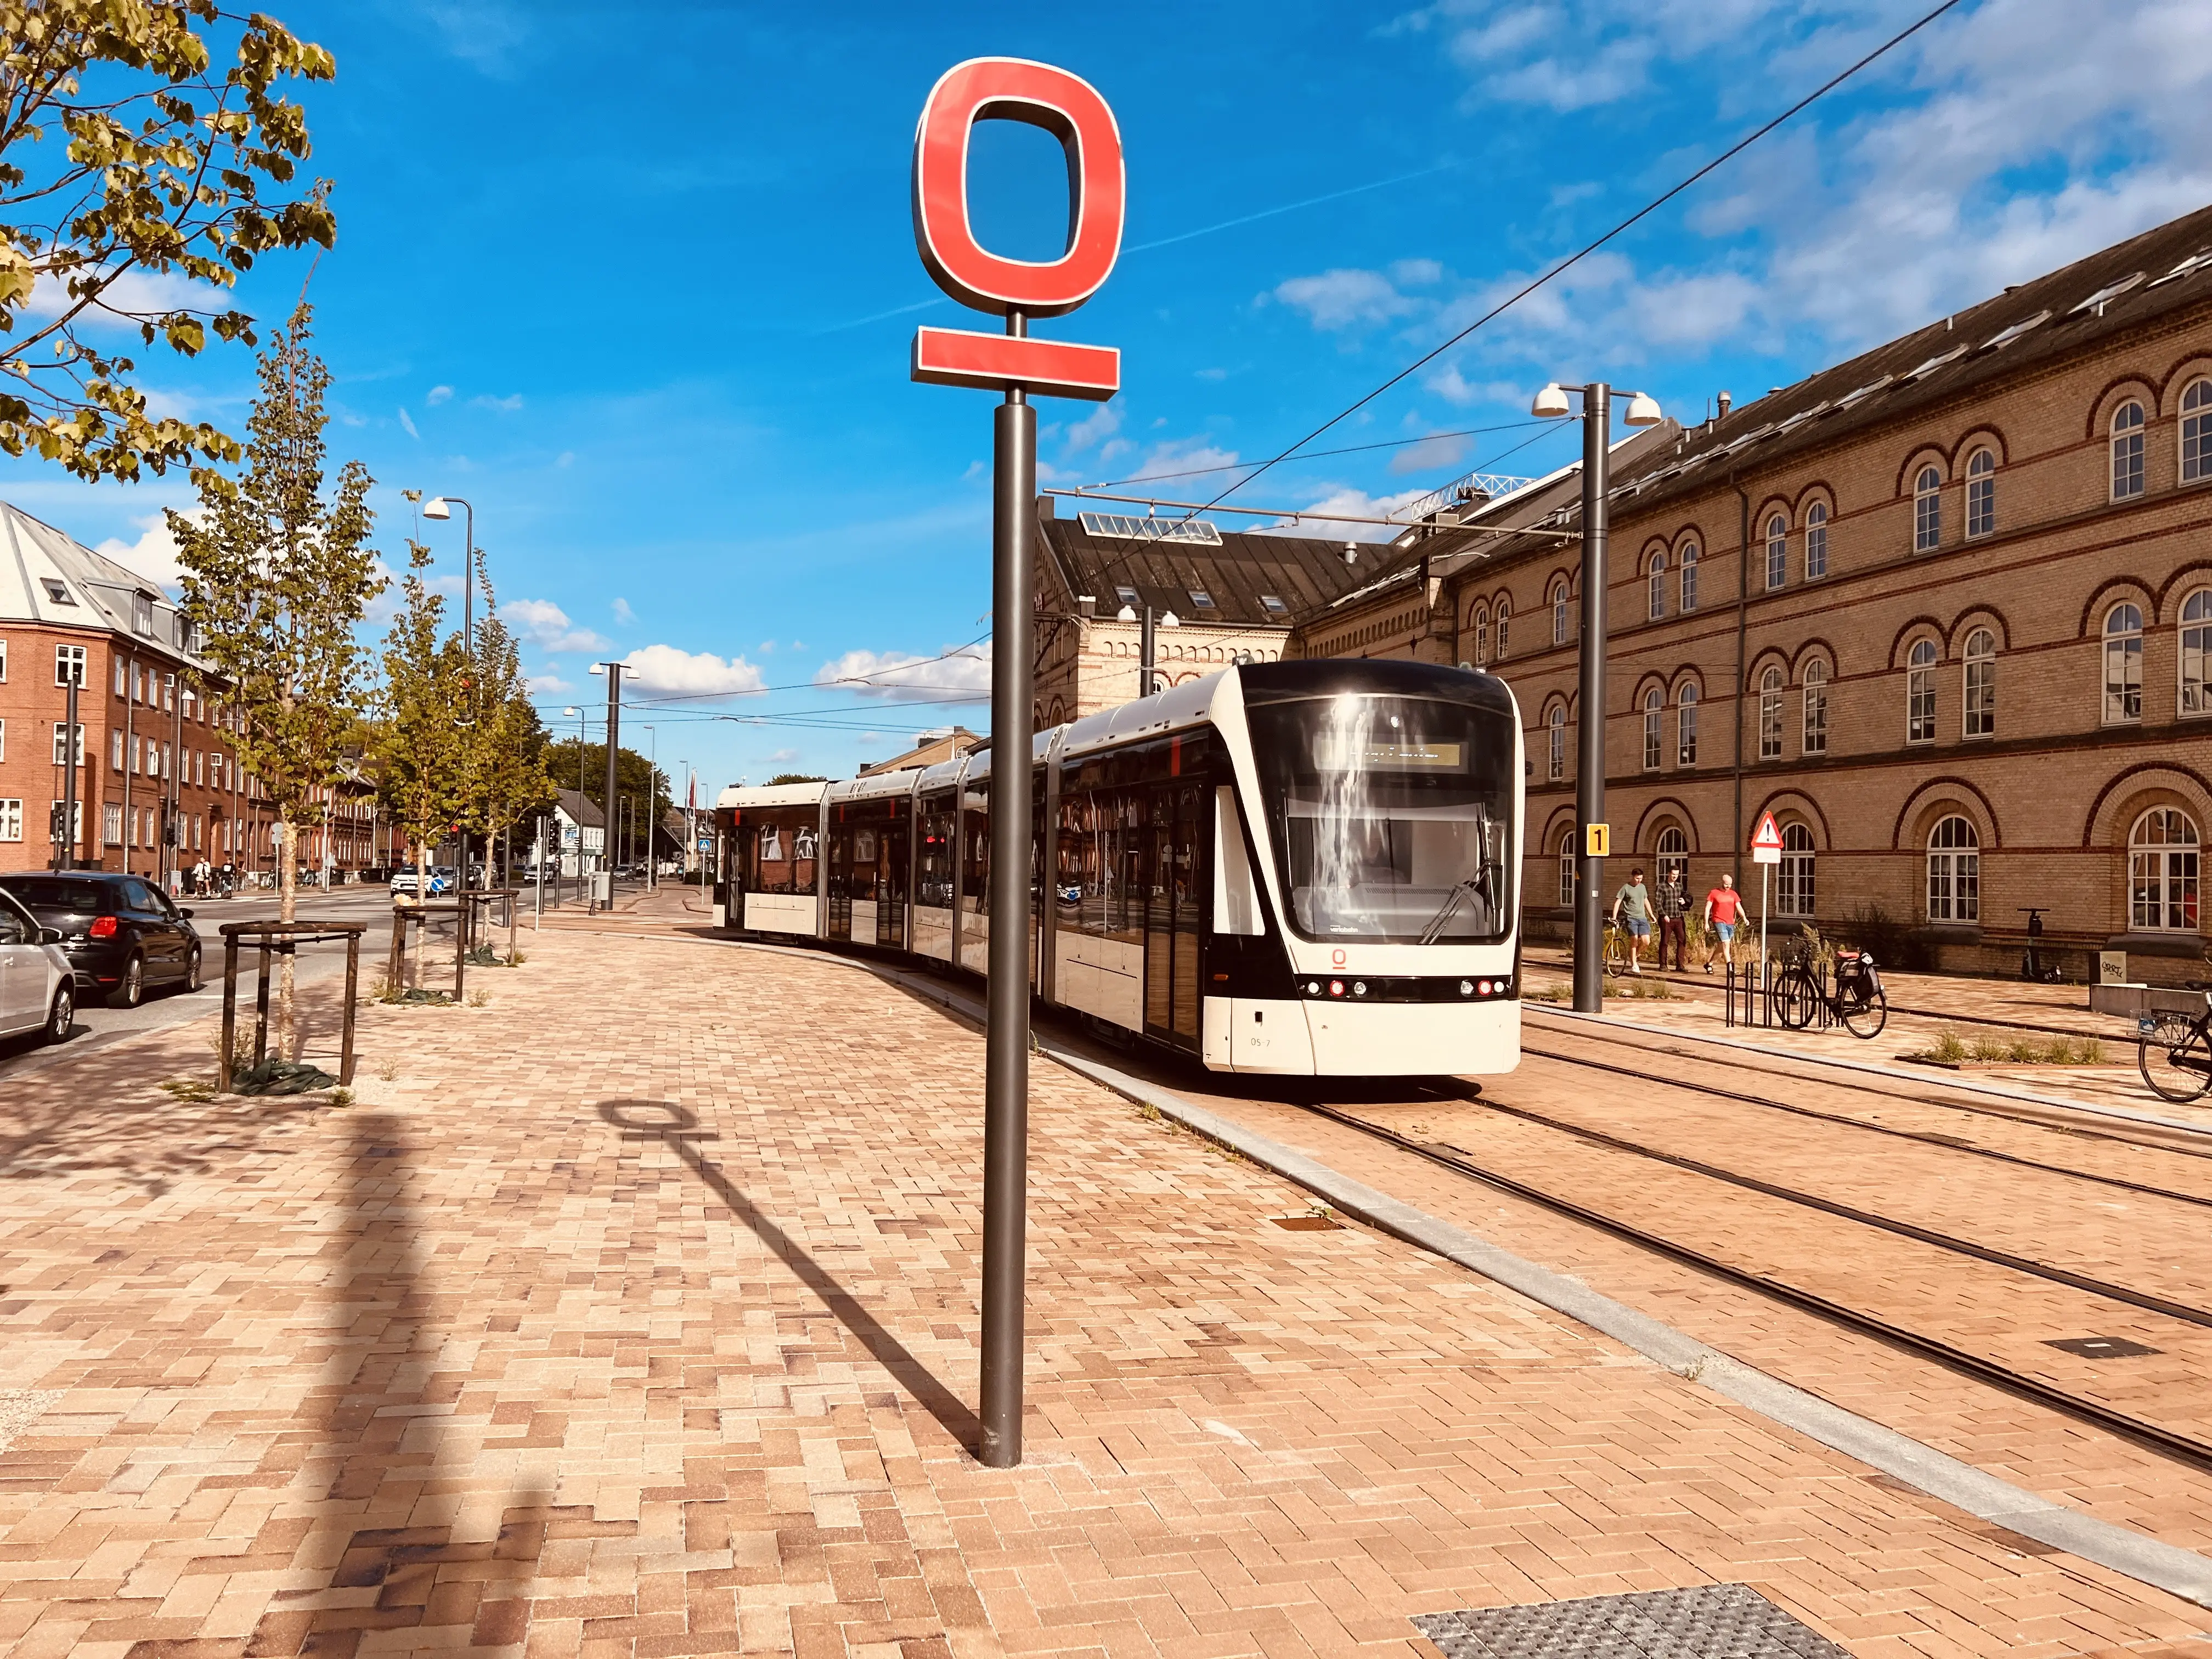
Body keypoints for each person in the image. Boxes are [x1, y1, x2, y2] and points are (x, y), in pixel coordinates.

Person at [1610, 866, 1653, 974]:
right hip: (1631, 918)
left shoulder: (1642, 887)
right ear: (1633, 877)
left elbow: (1646, 901)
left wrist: (1651, 914)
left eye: (1641, 878)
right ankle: (1634, 964)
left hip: (1642, 918)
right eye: (1637, 878)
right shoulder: (1626, 888)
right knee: (1634, 940)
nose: (1639, 881)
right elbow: (1617, 903)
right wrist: (1614, 918)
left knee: (1646, 942)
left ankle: (1634, 956)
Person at [1703, 873, 1745, 972]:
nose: (1728, 886)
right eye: (1726, 884)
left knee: (1722, 947)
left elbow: (1739, 907)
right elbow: (1707, 908)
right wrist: (1706, 923)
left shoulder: (1733, 894)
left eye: (1730, 884)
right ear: (1721, 882)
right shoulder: (1714, 893)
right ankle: (1730, 969)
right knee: (1726, 944)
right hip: (1719, 921)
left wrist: (1744, 918)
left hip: (1730, 923)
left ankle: (1709, 964)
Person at [1656, 868, 1689, 972]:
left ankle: (1680, 965)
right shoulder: (1662, 886)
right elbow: (1658, 902)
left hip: (1678, 917)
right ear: (1669, 874)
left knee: (1682, 940)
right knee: (1665, 941)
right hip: (1667, 918)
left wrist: (1684, 901)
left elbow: (1685, 897)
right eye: (1673, 874)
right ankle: (1663, 965)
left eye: (1677, 874)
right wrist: (1663, 915)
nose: (1675, 876)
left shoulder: (1679, 886)